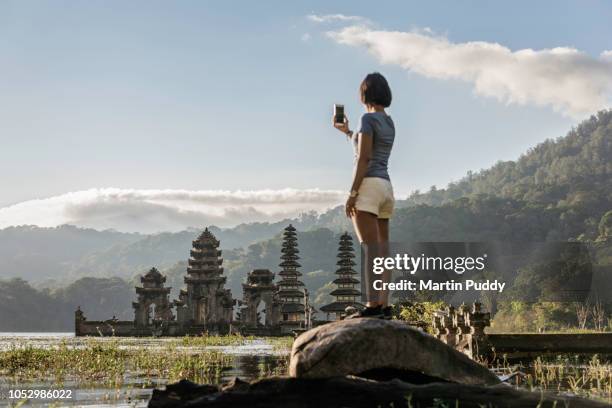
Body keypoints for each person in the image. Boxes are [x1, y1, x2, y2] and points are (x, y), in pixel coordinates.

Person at [333, 72, 395, 319]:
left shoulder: (366, 118)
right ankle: (384, 305)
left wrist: (352, 193)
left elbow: (364, 158)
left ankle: (371, 306)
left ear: (364, 94)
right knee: (383, 250)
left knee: (370, 249)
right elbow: (370, 148)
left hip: (368, 186)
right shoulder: (388, 121)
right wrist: (348, 132)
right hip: (386, 188)